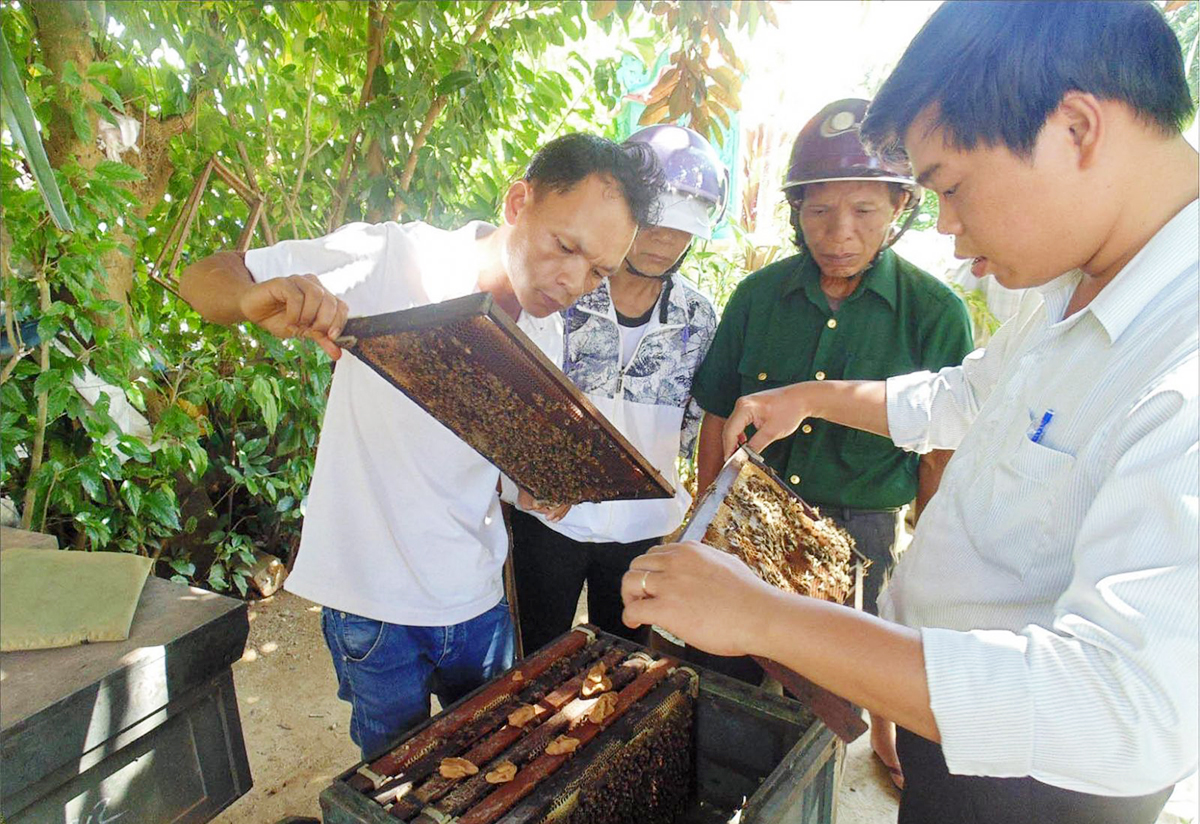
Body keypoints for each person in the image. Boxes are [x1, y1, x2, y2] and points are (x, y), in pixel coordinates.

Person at [621, 3, 1197, 822]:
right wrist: (810, 398)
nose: (953, 234)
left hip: (1043, 785)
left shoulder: (1185, 354)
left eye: (950, 189)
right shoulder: (1070, 280)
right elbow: (962, 398)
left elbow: (1125, 706)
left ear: (1075, 127)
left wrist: (763, 615)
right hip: (950, 727)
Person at [179, 133, 663, 759]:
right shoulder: (390, 258)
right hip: (374, 610)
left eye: (597, 269)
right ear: (519, 203)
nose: (572, 280)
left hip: (479, 602)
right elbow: (203, 277)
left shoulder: (545, 330)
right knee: (390, 777)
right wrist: (250, 297)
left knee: (492, 762)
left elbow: (497, 465)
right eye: (563, 246)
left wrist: (544, 485)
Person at [688, 97, 973, 781]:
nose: (839, 232)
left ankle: (802, 791)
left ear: (899, 210)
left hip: (860, 535)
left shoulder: (937, 315)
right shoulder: (757, 298)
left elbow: (940, 455)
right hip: (751, 512)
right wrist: (702, 514)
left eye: (864, 212)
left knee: (825, 701)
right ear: (797, 212)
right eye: (819, 211)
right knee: (712, 677)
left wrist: (928, 559)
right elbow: (716, 418)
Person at [507, 124, 725, 653]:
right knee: (535, 650)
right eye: (655, 224)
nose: (666, 241)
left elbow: (698, 422)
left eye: (682, 231)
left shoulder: (697, 317)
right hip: (550, 516)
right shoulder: (565, 292)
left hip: (644, 523)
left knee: (625, 660)